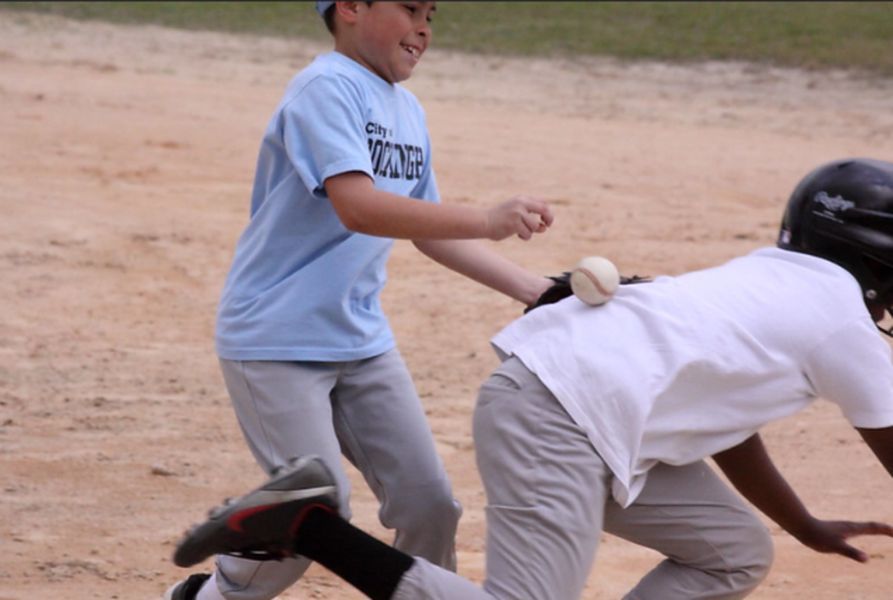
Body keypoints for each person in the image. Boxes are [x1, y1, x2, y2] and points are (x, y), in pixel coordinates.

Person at [171, 158, 893, 599]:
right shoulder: (840, 322)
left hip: (583, 410)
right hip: (558, 416)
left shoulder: (776, 281)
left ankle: (302, 524)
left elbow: (730, 427)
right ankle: (305, 527)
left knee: (732, 551)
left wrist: (799, 524)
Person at [164, 2, 556, 599]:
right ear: (349, 8)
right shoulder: (325, 89)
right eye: (408, 7)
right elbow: (359, 206)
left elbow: (423, 231)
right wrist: (485, 217)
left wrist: (536, 290)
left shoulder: (406, 108)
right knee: (314, 518)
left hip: (362, 341)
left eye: (431, 13)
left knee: (431, 505)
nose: (424, 27)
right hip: (277, 339)